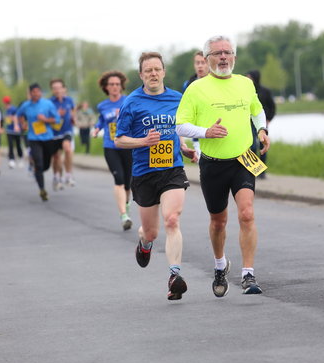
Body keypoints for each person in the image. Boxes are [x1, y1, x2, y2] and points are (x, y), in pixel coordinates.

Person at [176, 35, 270, 296]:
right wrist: (206, 131)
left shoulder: (244, 84)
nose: (223, 57)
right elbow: (180, 124)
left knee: (247, 213)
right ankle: (220, 265)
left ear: (235, 57)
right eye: (217, 53)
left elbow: (257, 109)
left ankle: (248, 275)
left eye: (228, 52)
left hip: (244, 158)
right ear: (207, 59)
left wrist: (261, 129)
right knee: (218, 221)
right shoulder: (196, 89)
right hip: (213, 163)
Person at [115, 52, 202, 300]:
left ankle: (174, 276)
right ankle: (145, 243)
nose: (153, 74)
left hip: (172, 169)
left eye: (157, 69)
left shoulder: (177, 98)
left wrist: (183, 147)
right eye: (148, 70)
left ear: (164, 72)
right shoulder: (132, 102)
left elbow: (179, 128)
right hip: (144, 173)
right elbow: (119, 140)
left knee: (172, 219)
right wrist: (143, 141)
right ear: (141, 75)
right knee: (151, 231)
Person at [93, 71, 133, 231]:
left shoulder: (129, 101)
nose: (115, 87)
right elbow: (101, 120)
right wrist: (96, 129)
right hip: (111, 147)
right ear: (106, 87)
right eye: (111, 84)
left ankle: (126, 205)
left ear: (121, 86)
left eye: (117, 84)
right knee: (119, 180)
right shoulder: (102, 106)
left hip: (128, 145)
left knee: (128, 183)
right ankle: (124, 215)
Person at [16, 83, 61, 201]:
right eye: (33, 92)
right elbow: (18, 115)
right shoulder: (26, 105)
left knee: (45, 165)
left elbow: (56, 119)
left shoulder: (48, 104)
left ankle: (38, 169)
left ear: (41, 92)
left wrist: (45, 120)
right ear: (30, 93)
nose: (36, 94)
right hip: (34, 138)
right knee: (39, 164)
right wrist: (21, 124)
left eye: (38, 91)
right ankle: (42, 189)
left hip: (48, 138)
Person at [246, 70, 276, 179]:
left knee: (263, 145)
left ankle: (262, 172)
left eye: (251, 78)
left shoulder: (265, 91)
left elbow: (272, 106)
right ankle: (255, 170)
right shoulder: (246, 91)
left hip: (262, 123)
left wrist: (268, 119)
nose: (249, 80)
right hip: (249, 122)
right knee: (252, 145)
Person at [181, 51, 209, 158]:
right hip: (197, 132)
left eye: (203, 62)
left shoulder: (217, 81)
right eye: (197, 63)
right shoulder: (187, 84)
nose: (200, 66)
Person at [49, 79, 76, 189]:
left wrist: (74, 118)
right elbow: (46, 118)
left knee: (68, 149)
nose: (57, 90)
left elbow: (73, 112)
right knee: (56, 157)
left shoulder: (69, 100)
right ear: (52, 90)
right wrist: (56, 115)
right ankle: (56, 176)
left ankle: (68, 175)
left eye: (59, 88)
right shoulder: (49, 102)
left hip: (66, 130)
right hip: (54, 133)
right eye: (55, 88)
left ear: (64, 89)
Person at [2, 95, 24, 168]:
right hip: (9, 130)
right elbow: (6, 119)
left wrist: (16, 125)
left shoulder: (13, 109)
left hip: (16, 130)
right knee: (10, 145)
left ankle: (21, 158)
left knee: (18, 145)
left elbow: (16, 117)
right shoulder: (5, 110)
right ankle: (11, 159)